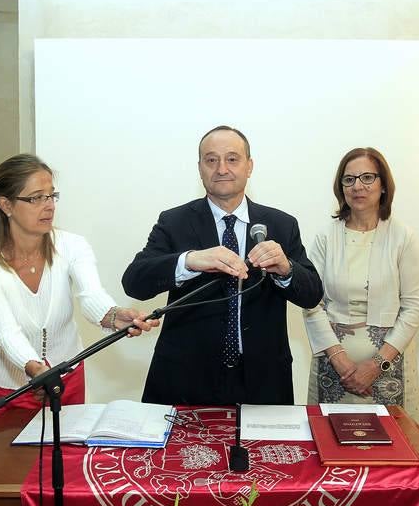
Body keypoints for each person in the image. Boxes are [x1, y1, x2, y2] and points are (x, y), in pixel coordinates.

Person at [122, 125, 323, 405]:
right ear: (200, 167)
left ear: (249, 166)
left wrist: (287, 269)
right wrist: (189, 261)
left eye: (232, 159)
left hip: (263, 378)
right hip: (185, 378)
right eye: (211, 160)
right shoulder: (175, 221)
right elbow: (134, 282)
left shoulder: (280, 224)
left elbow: (313, 293)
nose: (221, 169)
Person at [0, 154, 158, 425]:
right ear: (6, 205)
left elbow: (91, 295)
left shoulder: (72, 246)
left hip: (66, 378)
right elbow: (5, 333)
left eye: (51, 196)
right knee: (15, 466)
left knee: (67, 459)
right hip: (11, 386)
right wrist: (35, 369)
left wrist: (113, 316)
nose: (48, 206)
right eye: (35, 198)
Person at [303, 147, 419, 419]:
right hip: (334, 366)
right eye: (349, 179)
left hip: (388, 365)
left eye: (367, 178)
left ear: (383, 185)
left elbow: (413, 308)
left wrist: (377, 364)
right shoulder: (325, 238)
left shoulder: (402, 237)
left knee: (392, 451)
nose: (357, 186)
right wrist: (340, 360)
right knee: (330, 447)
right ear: (341, 187)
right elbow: (311, 304)